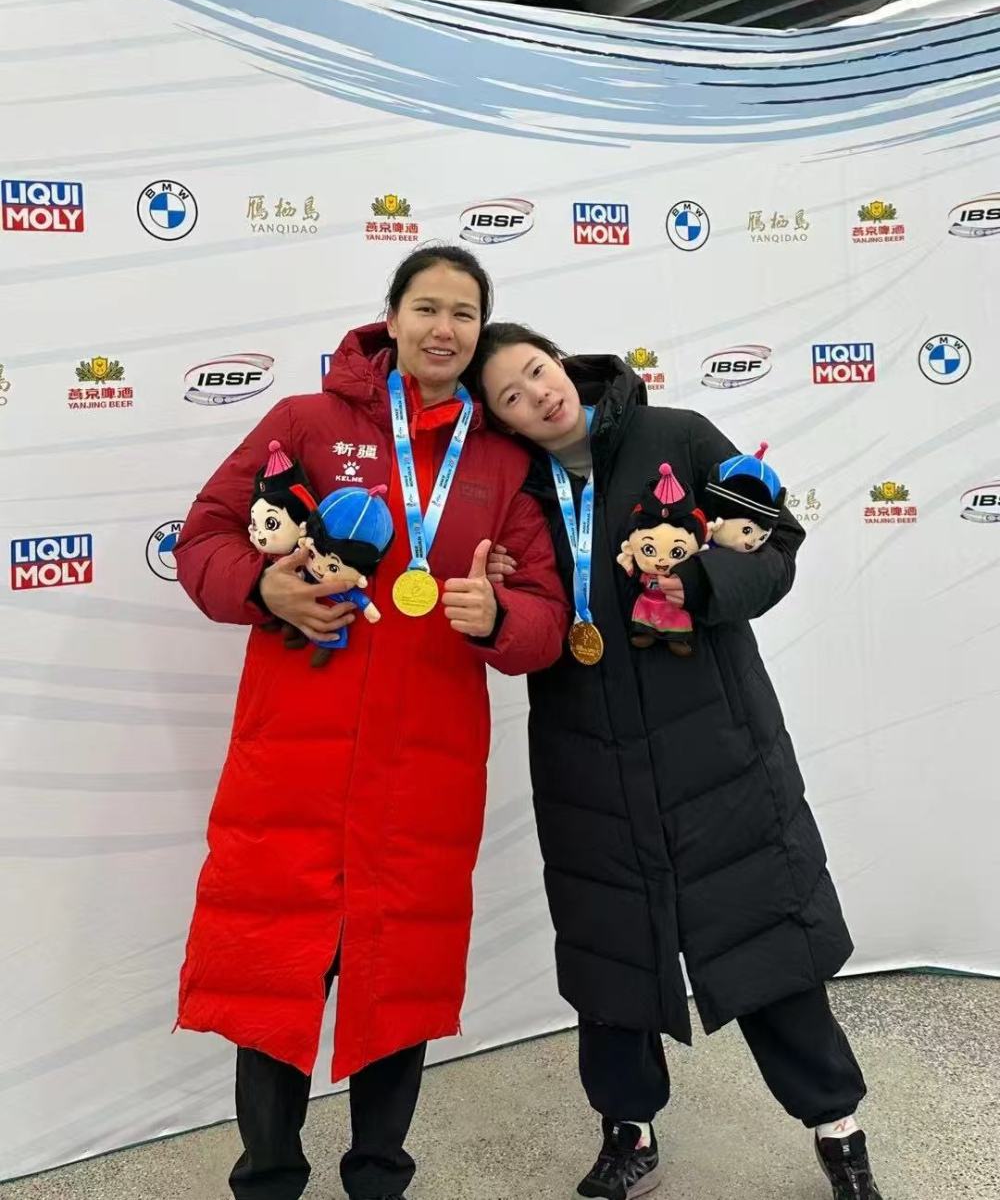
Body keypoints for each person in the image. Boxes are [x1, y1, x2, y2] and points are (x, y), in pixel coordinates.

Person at [173, 252, 568, 1200]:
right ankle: (268, 1177)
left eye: (463, 313)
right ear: (390, 317)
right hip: (294, 758)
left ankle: (380, 1178)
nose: (444, 328)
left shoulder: (501, 457)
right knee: (274, 976)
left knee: (400, 979)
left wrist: (499, 617)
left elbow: (547, 614)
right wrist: (266, 588)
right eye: (426, 306)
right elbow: (204, 539)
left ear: (480, 329)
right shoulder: (305, 422)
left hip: (423, 765)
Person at [474, 322, 882, 1200]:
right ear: (501, 421)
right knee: (612, 953)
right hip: (586, 751)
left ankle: (838, 1126)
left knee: (763, 935)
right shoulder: (516, 490)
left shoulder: (679, 435)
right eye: (510, 396)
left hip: (717, 738)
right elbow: (529, 609)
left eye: (537, 371)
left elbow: (777, 541)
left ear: (562, 362)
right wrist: (502, 587)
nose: (537, 395)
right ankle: (629, 1131)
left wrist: (703, 583)